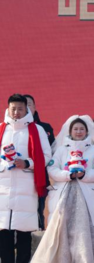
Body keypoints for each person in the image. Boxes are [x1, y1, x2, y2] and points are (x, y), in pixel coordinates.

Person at [33, 115, 94, 262]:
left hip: (87, 197)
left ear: (87, 131)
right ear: (70, 131)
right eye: (75, 129)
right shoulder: (62, 150)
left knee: (85, 230)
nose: (78, 132)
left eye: (81, 129)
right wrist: (67, 174)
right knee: (61, 229)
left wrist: (84, 175)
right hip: (64, 196)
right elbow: (52, 169)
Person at [0, 94, 52, 263]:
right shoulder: (1, 129)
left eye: (20, 109)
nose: (16, 112)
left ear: (26, 109)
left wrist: (27, 162)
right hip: (3, 189)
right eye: (13, 108)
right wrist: (4, 164)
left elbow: (45, 156)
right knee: (3, 235)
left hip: (26, 188)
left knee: (24, 235)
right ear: (8, 109)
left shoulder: (36, 130)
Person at [24, 94, 55, 230]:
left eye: (29, 104)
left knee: (40, 208)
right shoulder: (13, 130)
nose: (26, 108)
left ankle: (40, 233)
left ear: (35, 107)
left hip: (41, 177)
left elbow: (52, 152)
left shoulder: (44, 128)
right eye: (22, 105)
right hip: (21, 178)